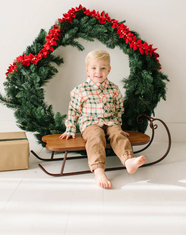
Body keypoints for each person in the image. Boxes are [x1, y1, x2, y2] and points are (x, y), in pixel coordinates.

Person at [60, 49, 146, 188]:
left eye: (103, 68)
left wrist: (118, 126)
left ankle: (128, 161)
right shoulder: (80, 90)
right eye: (93, 68)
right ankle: (99, 170)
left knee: (118, 134)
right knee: (95, 135)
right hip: (90, 123)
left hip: (110, 121)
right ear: (87, 70)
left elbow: (119, 109)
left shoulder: (114, 89)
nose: (98, 72)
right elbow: (73, 111)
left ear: (109, 70)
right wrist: (70, 129)